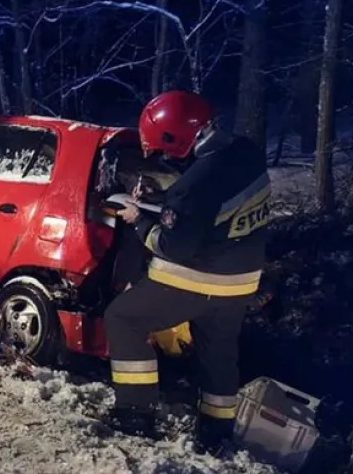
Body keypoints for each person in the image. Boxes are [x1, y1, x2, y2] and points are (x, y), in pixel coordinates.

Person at [105, 90, 270, 453]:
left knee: (122, 318)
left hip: (194, 280)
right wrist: (167, 204)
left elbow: (173, 246)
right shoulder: (247, 154)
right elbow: (214, 208)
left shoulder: (192, 188)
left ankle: (135, 412)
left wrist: (138, 221)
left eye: (163, 148)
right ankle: (216, 429)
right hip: (241, 282)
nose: (162, 156)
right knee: (219, 351)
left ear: (172, 137)